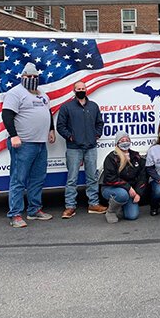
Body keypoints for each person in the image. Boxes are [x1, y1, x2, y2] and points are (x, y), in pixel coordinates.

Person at [2, 63, 56, 228]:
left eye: (35, 77)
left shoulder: (42, 94)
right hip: (23, 143)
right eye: (29, 77)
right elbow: (7, 115)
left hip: (40, 143)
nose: (32, 79)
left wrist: (51, 129)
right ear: (22, 77)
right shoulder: (15, 93)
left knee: (37, 179)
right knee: (18, 179)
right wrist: (14, 136)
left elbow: (48, 112)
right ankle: (15, 214)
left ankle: (34, 210)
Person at [56, 80, 107, 218]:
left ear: (86, 89)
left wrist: (96, 134)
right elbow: (60, 126)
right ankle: (70, 207)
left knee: (92, 178)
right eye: (78, 88)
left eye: (83, 88)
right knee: (72, 179)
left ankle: (93, 204)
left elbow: (99, 123)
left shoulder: (93, 106)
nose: (81, 90)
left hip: (91, 147)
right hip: (74, 148)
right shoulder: (67, 107)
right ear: (74, 91)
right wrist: (71, 137)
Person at [101, 131, 149, 223]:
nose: (125, 142)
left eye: (127, 139)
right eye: (122, 140)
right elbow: (110, 178)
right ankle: (111, 211)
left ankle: (120, 207)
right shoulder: (111, 158)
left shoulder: (136, 156)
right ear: (117, 143)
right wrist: (128, 187)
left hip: (130, 191)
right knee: (122, 194)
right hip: (111, 188)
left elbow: (142, 176)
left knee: (132, 216)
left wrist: (138, 193)